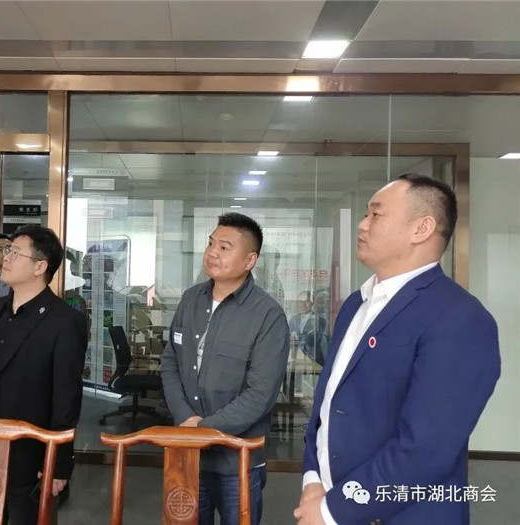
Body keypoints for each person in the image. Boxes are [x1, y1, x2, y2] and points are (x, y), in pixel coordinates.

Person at [294, 174, 501, 525]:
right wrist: (313, 479)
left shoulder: (460, 318)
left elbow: (427, 448)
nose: (362, 224)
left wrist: (333, 510)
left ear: (421, 229)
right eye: (366, 214)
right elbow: (328, 403)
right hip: (326, 500)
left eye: (375, 214)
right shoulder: (356, 304)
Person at [0, 225, 87, 524]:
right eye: (6, 251)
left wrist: (58, 462)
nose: (6, 258)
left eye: (15, 252)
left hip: (27, 452)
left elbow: (66, 396)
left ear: (40, 267)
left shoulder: (65, 321)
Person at [161, 212, 289, 525]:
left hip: (237, 459)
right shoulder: (191, 299)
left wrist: (203, 428)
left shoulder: (268, 315)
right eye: (210, 244)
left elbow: (260, 394)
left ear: (250, 260)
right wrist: (185, 418)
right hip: (188, 452)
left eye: (224, 247)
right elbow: (170, 361)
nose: (212, 253)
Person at [289, 290, 328, 365]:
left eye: (306, 302)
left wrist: (297, 336)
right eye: (300, 302)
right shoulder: (294, 319)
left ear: (312, 303)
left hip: (313, 362)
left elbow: (312, 340)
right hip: (295, 360)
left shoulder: (319, 320)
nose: (303, 305)